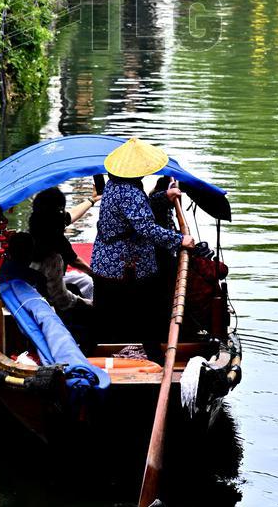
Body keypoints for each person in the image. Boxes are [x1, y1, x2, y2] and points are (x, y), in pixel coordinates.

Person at [91, 137, 195, 359]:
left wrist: (164, 196)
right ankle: (154, 357)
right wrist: (179, 240)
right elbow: (147, 227)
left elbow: (139, 212)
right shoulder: (129, 192)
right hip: (123, 264)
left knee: (110, 314)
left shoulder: (115, 185)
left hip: (108, 260)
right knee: (148, 313)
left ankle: (106, 350)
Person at [29, 186, 98, 318]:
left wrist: (92, 200)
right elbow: (61, 299)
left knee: (85, 280)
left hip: (42, 284)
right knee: (88, 283)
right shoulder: (54, 254)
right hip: (49, 295)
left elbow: (70, 216)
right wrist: (88, 302)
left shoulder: (38, 226)